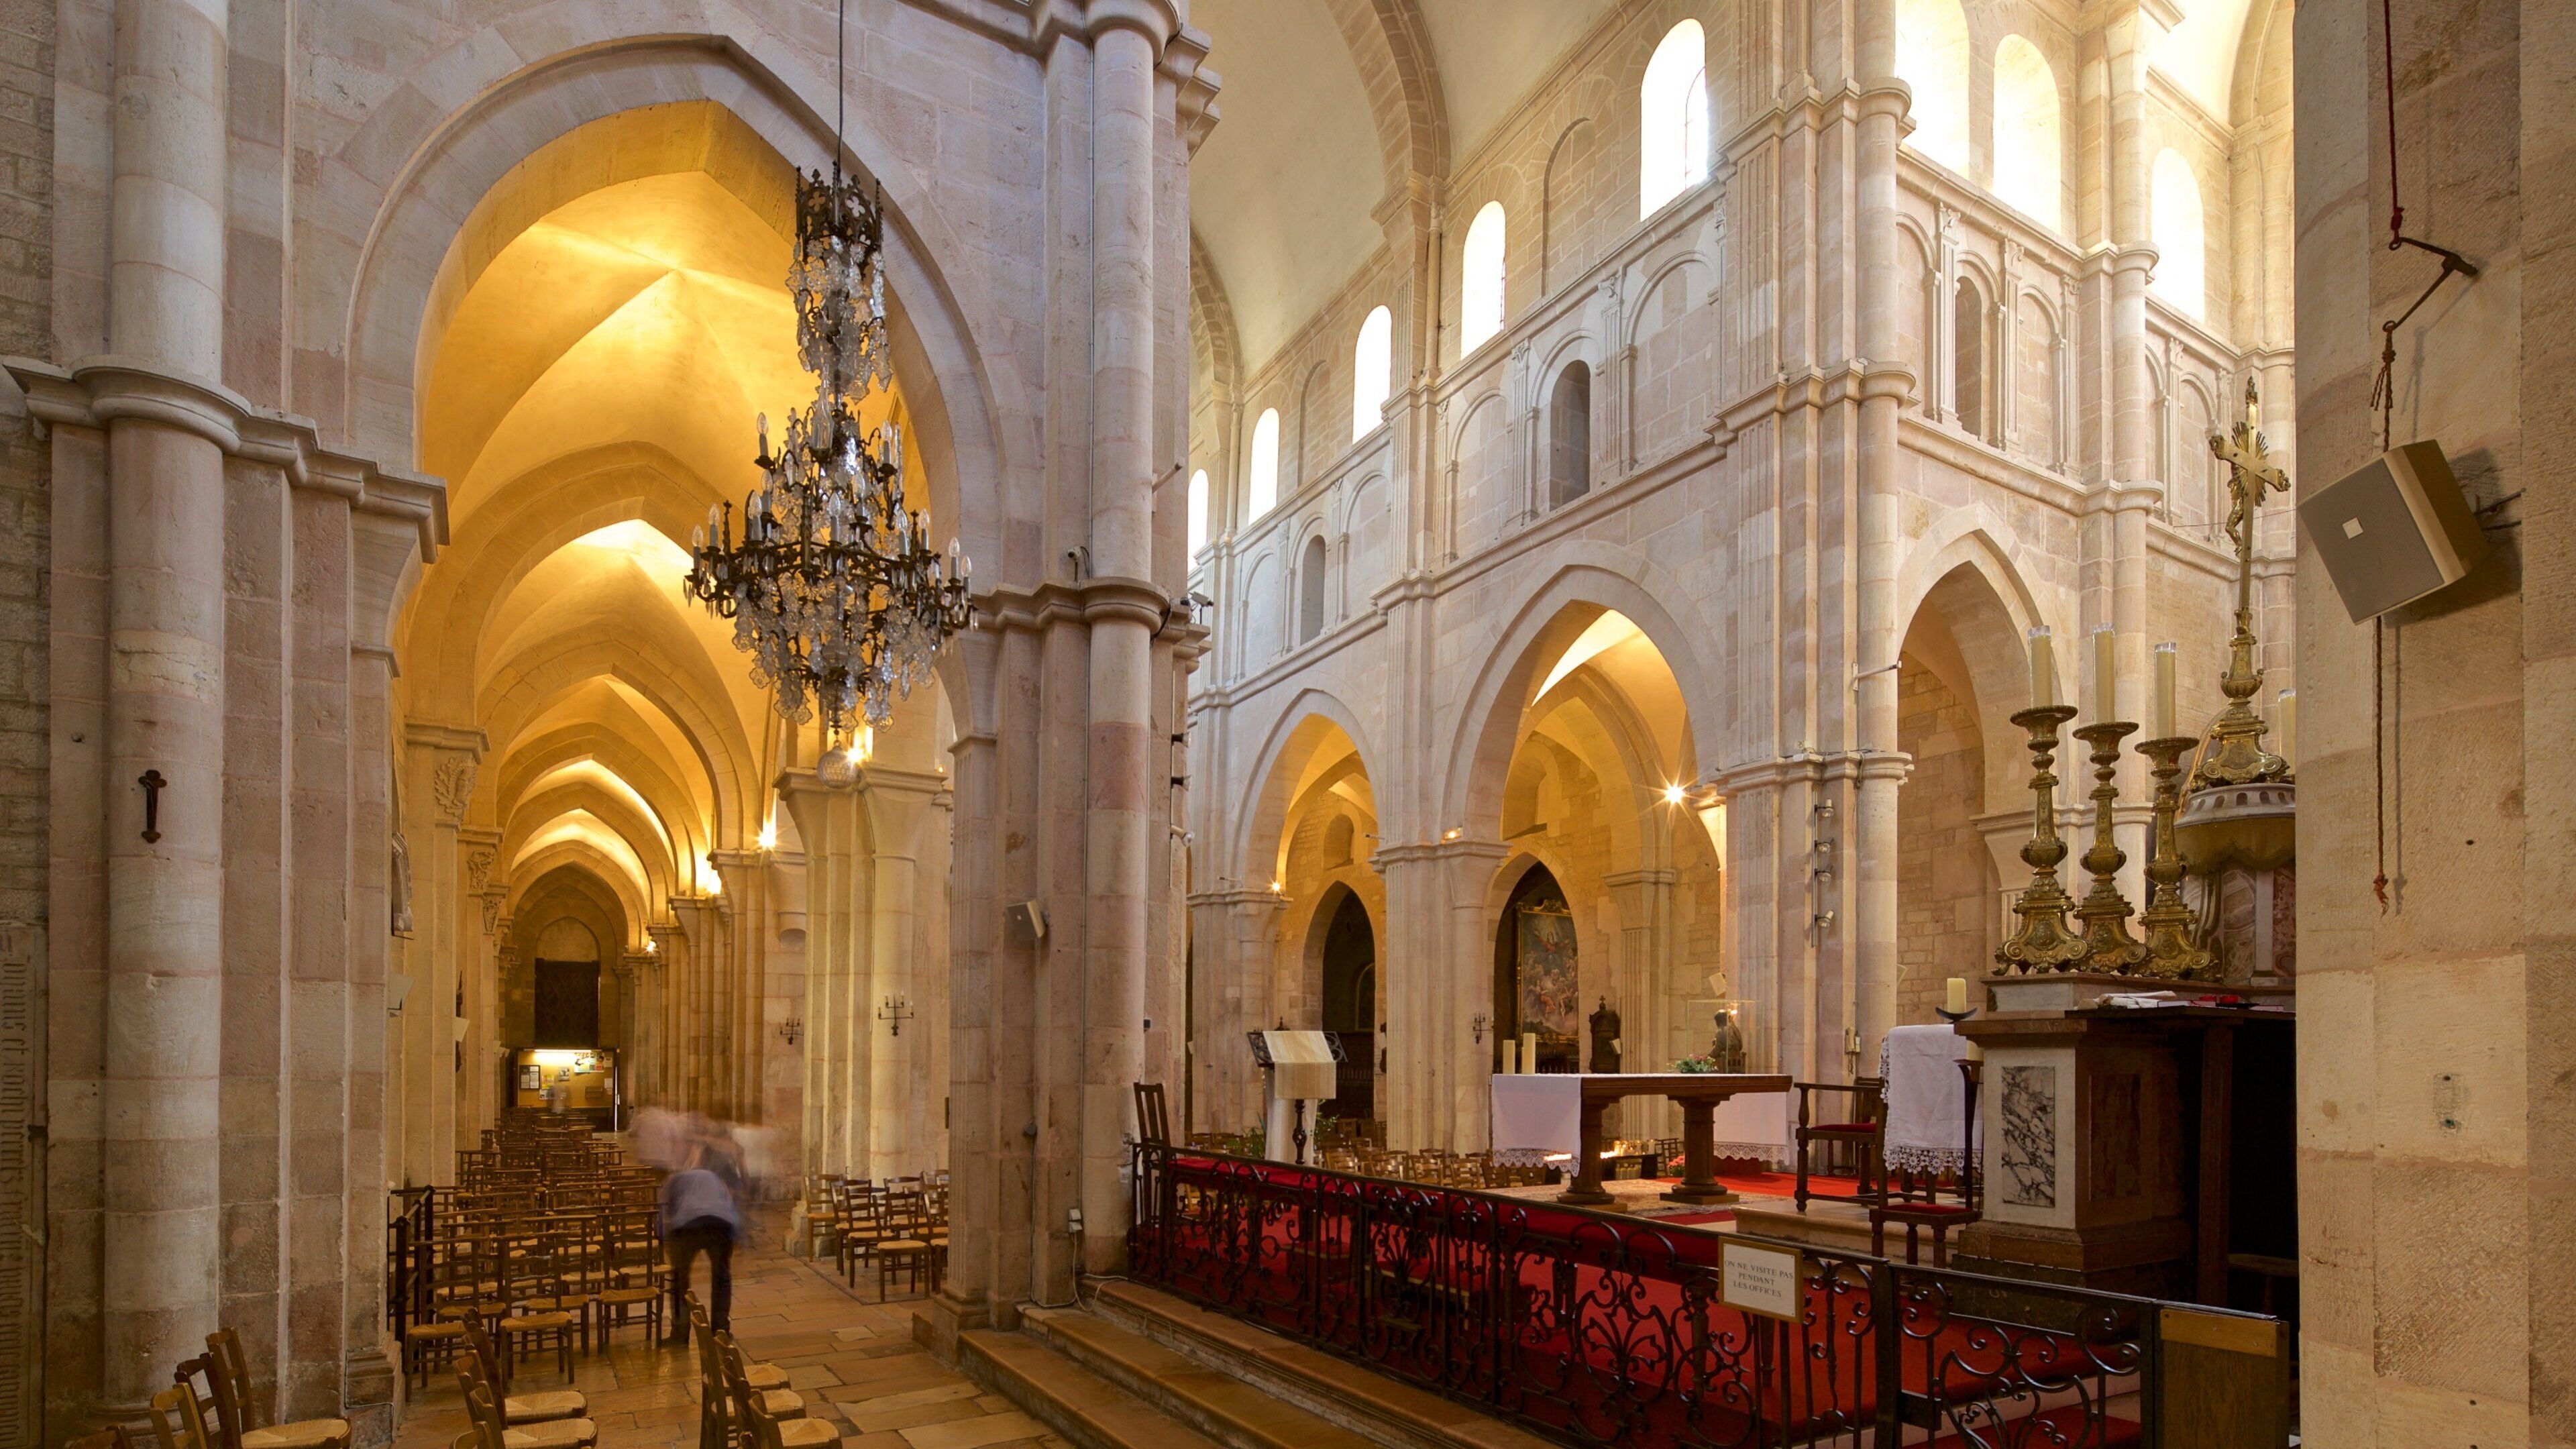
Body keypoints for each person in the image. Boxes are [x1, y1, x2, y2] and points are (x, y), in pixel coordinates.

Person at [660, 1140, 742, 1341]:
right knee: (722, 1278)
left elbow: (664, 1211)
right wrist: (735, 1235)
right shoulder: (714, 1178)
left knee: (679, 1280)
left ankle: (680, 1334)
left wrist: (663, 1239)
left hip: (688, 1227)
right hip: (720, 1225)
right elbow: (729, 1206)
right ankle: (721, 1330)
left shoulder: (676, 1178)